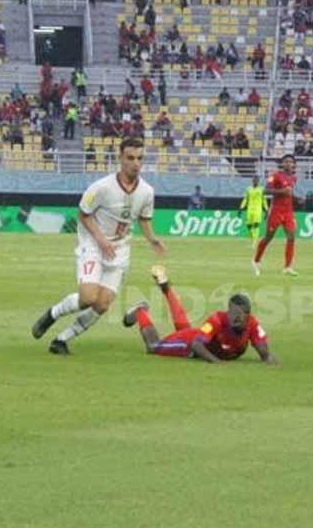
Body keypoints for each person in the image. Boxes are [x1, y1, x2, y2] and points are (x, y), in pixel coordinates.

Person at [31, 137, 166, 355]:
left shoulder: (147, 192)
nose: (135, 163)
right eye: (130, 158)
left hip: (119, 251)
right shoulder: (102, 187)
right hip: (93, 244)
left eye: (140, 158)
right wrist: (101, 239)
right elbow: (83, 214)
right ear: (120, 158)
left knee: (102, 305)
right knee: (88, 298)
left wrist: (152, 239)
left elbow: (143, 218)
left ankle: (61, 340)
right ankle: (52, 314)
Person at [123, 265, 276, 364]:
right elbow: (196, 345)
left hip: (196, 334)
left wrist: (267, 358)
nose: (236, 318)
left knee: (184, 328)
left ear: (248, 314)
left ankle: (166, 289)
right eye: (233, 314)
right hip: (188, 345)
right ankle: (140, 311)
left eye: (241, 315)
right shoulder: (217, 320)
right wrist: (216, 362)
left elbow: (264, 352)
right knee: (153, 347)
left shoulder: (253, 324)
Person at [252, 154, 299, 276]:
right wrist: (281, 191)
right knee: (268, 237)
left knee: (291, 236)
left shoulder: (294, 178)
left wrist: (297, 198)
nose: (289, 164)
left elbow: (289, 193)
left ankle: (287, 267)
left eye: (291, 162)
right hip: (276, 211)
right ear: (283, 164)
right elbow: (265, 191)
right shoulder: (276, 176)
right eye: (286, 162)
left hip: (288, 211)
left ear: (293, 164)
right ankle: (256, 260)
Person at [238, 176, 268, 247]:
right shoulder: (249, 189)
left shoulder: (261, 189)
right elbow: (245, 199)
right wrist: (241, 208)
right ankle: (253, 241)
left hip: (258, 210)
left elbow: (264, 200)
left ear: (258, 181)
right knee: (249, 226)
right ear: (252, 181)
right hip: (250, 210)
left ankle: (255, 243)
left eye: (257, 180)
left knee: (256, 225)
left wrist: (266, 209)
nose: (255, 181)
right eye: (254, 180)